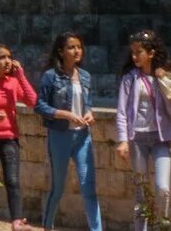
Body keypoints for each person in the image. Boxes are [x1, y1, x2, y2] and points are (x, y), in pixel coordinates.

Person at [114, 29, 171, 231]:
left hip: (160, 138)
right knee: (141, 191)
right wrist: (123, 140)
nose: (135, 56)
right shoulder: (130, 79)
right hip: (138, 139)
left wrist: (167, 86)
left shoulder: (164, 77)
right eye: (133, 52)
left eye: (139, 52)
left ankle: (160, 227)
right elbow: (121, 112)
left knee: (163, 189)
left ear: (151, 53)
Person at [36, 31, 103, 231]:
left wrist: (89, 112)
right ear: (61, 51)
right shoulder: (50, 76)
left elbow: (86, 103)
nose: (76, 51)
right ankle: (48, 226)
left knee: (89, 187)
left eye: (79, 47)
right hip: (60, 136)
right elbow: (40, 106)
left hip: (83, 136)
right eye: (71, 47)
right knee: (58, 187)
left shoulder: (85, 76)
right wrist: (65, 114)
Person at [0, 44, 38, 229]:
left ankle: (17, 221)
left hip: (9, 138)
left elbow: (32, 101)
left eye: (9, 57)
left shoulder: (12, 82)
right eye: (2, 57)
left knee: (12, 181)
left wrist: (20, 75)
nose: (7, 61)